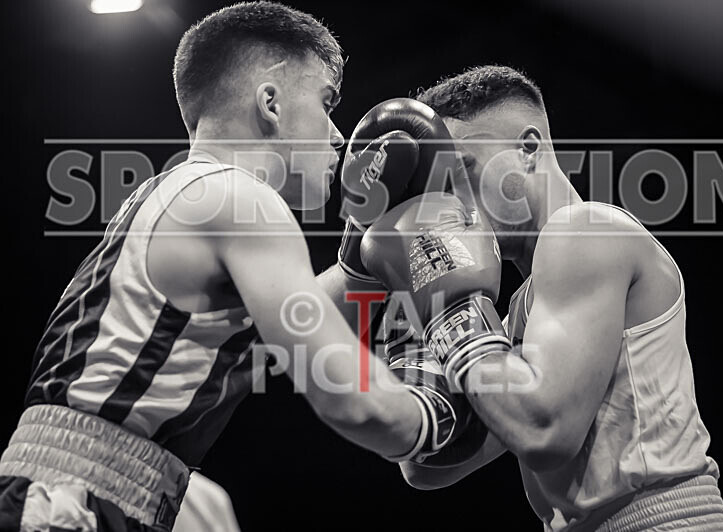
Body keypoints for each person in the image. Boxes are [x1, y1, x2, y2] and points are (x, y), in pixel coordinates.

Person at [0, 3, 470, 530]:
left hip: (79, 487)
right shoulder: (241, 200)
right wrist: (440, 413)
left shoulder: (177, 193)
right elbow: (352, 401)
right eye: (326, 102)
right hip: (75, 504)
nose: (338, 135)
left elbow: (281, 328)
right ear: (270, 103)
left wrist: (361, 256)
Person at [362, 66, 723, 531]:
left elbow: (543, 431)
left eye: (463, 169)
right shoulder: (521, 313)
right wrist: (418, 300)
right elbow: (431, 464)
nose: (451, 199)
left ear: (528, 148)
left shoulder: (585, 229)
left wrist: (448, 314)